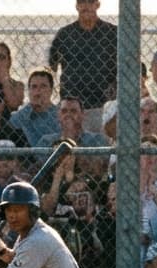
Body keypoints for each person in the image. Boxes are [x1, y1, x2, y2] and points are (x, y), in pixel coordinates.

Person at [47, 0, 117, 133]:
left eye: (90, 2)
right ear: (76, 6)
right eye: (82, 2)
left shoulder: (112, 33)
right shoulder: (65, 34)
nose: (86, 6)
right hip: (71, 106)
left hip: (103, 105)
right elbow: (51, 66)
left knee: (101, 149)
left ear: (97, 5)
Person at [38, 96, 110, 182]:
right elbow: (42, 169)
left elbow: (101, 169)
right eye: (64, 111)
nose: (68, 114)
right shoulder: (46, 140)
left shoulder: (96, 139)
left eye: (73, 111)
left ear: (83, 115)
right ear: (59, 115)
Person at [8, 69, 60, 150]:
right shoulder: (23, 113)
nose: (38, 90)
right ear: (29, 91)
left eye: (43, 86)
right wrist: (31, 106)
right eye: (34, 87)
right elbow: (11, 125)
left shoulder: (59, 115)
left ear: (51, 90)